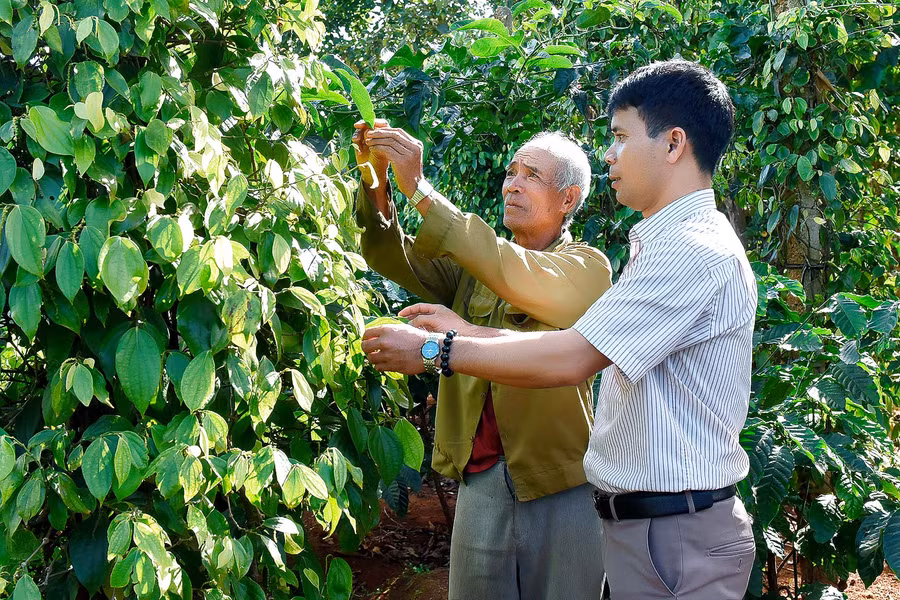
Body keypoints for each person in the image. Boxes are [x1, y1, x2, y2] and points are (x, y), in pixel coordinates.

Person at [361, 59, 757, 600]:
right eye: (512, 173)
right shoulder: (662, 246)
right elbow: (556, 341)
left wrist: (439, 346)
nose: (611, 155)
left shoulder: (665, 254)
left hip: (653, 522)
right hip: (637, 522)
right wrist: (377, 182)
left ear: (673, 145)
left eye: (620, 137)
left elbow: (569, 355)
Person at [353, 120, 612, 599]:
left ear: (568, 199)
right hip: (482, 479)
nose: (512, 183)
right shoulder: (475, 268)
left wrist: (422, 191)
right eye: (511, 172)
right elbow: (392, 256)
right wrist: (377, 180)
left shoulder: (588, 268)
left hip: (560, 482)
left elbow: (510, 271)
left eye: (531, 175)